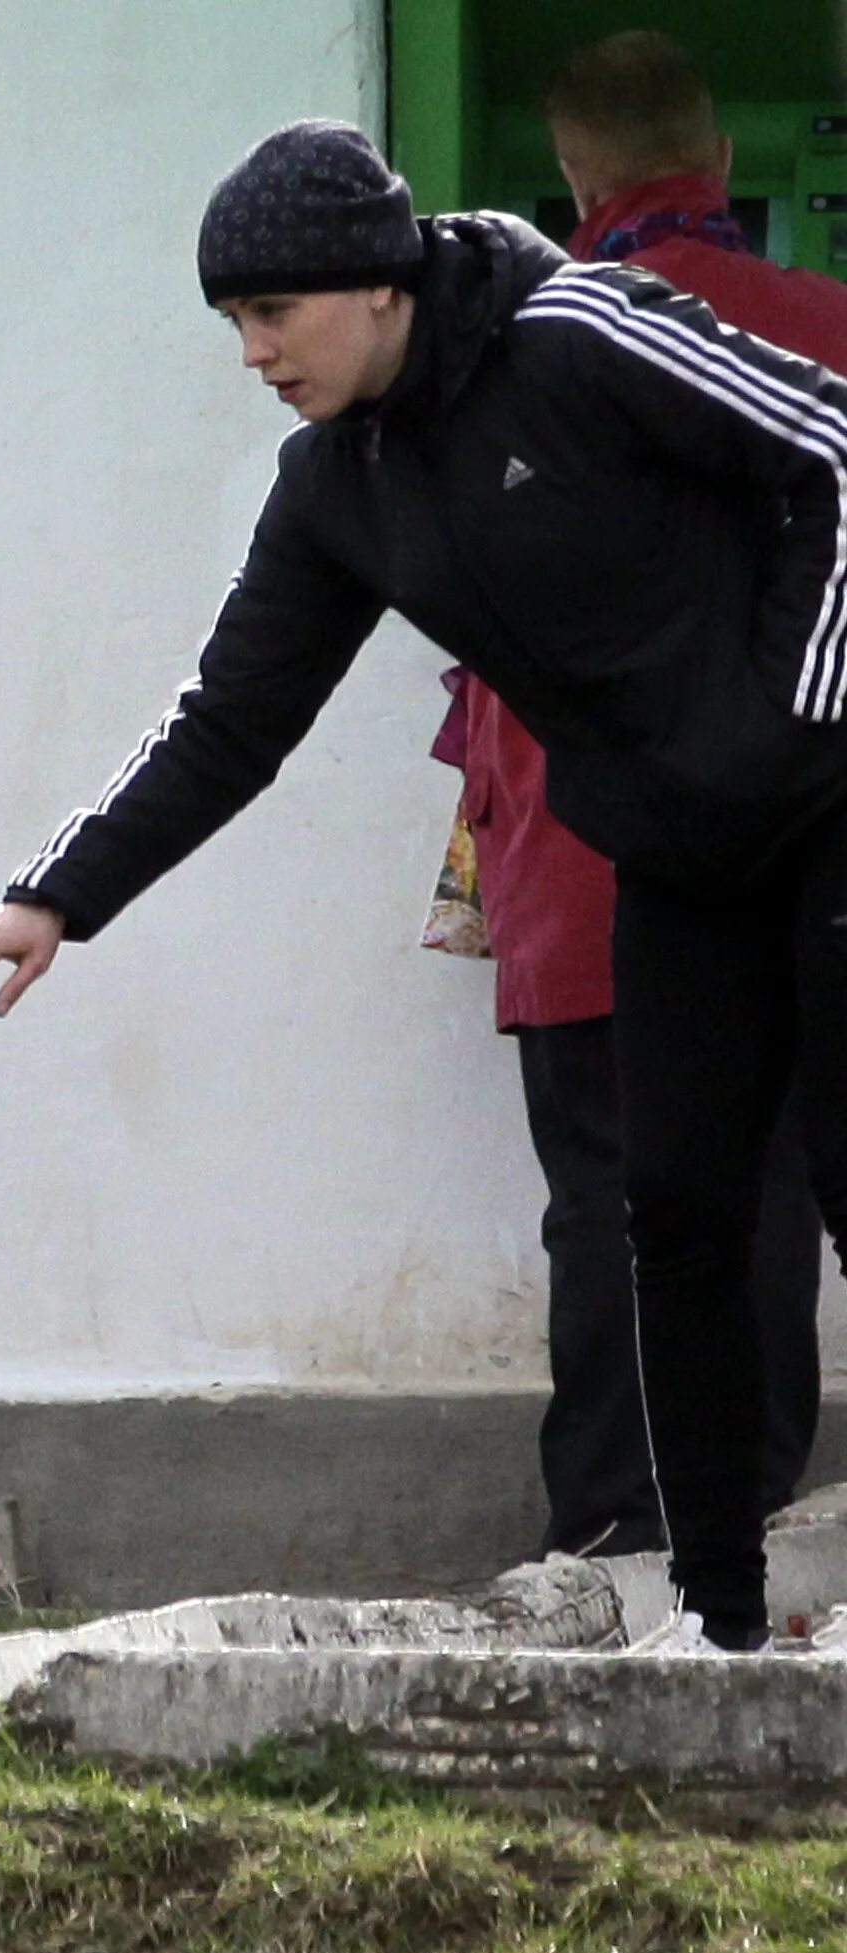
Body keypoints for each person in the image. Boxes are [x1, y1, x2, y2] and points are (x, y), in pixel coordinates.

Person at [0, 119, 847, 1654]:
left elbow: (832, 441)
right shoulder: (338, 482)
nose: (252, 354)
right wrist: (54, 897)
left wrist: (798, 715)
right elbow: (231, 720)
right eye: (232, 324)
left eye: (271, 315)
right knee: (670, 1216)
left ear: (376, 283)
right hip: (678, 851)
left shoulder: (579, 330)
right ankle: (722, 1623)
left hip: (825, 802)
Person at [439, 32, 843, 1559]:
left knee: (612, 1196)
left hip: (588, 854)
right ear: (722, 167)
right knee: (776, 1191)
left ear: (570, 178)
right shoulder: (827, 327)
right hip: (802, 849)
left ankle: (616, 1526)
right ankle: (760, 1524)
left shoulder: (522, 351)